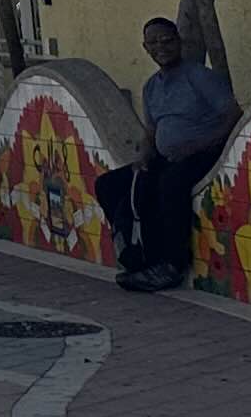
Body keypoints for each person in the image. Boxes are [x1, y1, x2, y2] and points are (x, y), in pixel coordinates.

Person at [99, 16, 238, 292]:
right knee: (111, 184)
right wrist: (144, 156)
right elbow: (151, 131)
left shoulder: (199, 77)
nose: (161, 47)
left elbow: (233, 114)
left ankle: (173, 265)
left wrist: (198, 145)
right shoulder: (152, 86)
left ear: (178, 42)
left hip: (205, 153)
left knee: (170, 184)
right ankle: (138, 254)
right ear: (145, 48)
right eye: (154, 43)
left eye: (167, 40)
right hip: (167, 157)